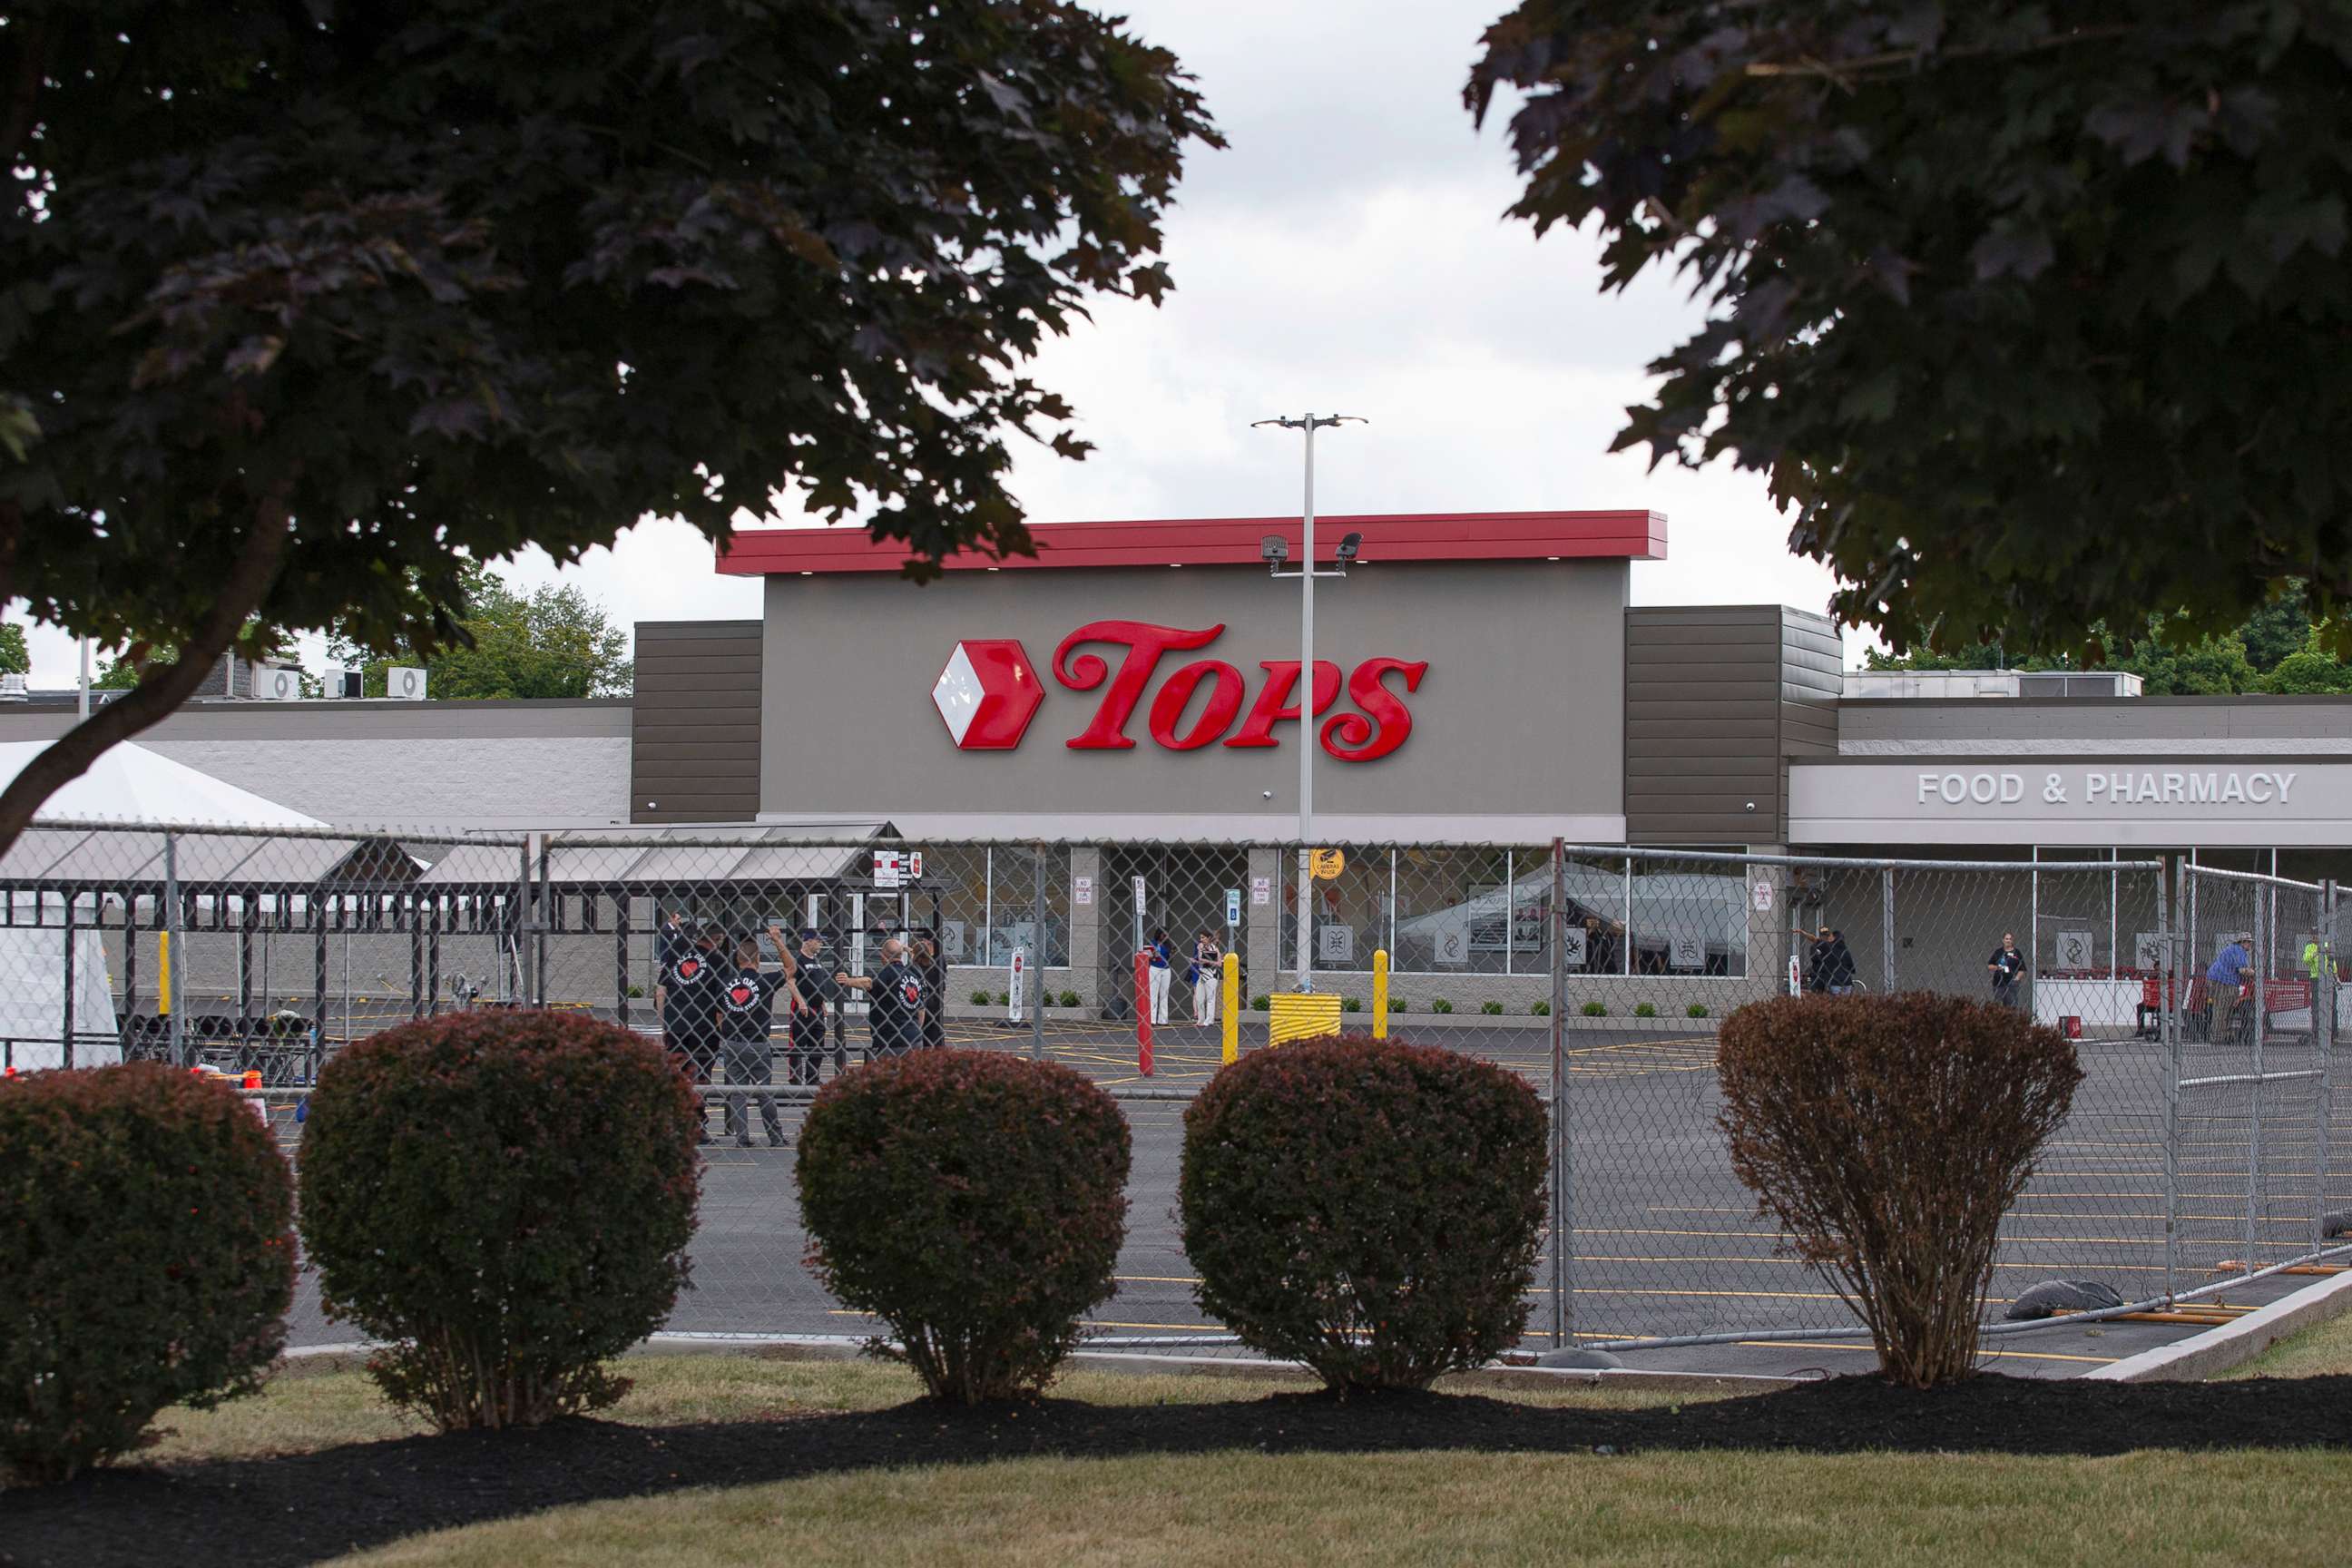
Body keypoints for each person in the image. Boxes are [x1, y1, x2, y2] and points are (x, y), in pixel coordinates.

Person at [715, 925, 794, 1148]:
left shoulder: (726, 983)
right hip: (757, 1042)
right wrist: (777, 940)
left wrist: (726, 1032)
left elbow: (718, 1013)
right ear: (757, 958)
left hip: (733, 1042)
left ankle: (742, 1137)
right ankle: (775, 1136)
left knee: (738, 1092)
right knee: (764, 1091)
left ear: (738, 959)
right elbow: (791, 967)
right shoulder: (764, 981)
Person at [654, 914, 723, 1142]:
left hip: (676, 1026)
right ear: (717, 939)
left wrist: (666, 1023)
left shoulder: (677, 956)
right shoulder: (717, 960)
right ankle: (697, 1126)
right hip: (704, 1028)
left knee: (677, 1074)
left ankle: (675, 1123)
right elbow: (721, 1003)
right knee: (701, 1078)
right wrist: (720, 1029)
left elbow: (660, 991)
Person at [838, 937, 925, 1059]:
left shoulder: (887, 974)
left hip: (891, 1041)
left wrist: (848, 981)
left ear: (883, 956)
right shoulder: (912, 976)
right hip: (915, 1038)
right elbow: (921, 1011)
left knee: (886, 1075)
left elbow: (869, 982)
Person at [788, 928, 834, 1085]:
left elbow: (818, 985)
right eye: (818, 940)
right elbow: (791, 982)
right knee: (797, 1046)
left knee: (818, 1045)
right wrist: (801, 1001)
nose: (820, 943)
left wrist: (822, 1004)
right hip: (802, 1010)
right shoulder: (798, 960)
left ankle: (813, 1078)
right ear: (808, 941)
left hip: (817, 1009)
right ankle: (795, 1079)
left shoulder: (816, 961)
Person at [2208, 935, 2254, 1043]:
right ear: (2242, 942)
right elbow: (2242, 970)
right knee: (2222, 1009)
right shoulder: (2238, 950)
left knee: (2226, 1009)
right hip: (2223, 981)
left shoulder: (2232, 949)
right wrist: (2254, 973)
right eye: (2248, 942)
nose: (2250, 945)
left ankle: (2224, 1035)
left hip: (2224, 980)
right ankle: (2217, 1037)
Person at [911, 934, 947, 1049]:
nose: (924, 943)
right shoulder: (920, 965)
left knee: (931, 1034)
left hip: (931, 1005)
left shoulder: (936, 961)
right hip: (929, 1004)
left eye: (925, 942)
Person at [1191, 928, 1222, 1025]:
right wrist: (1197, 960)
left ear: (1209, 938)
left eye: (1203, 938)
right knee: (1199, 998)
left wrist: (1209, 961)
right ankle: (1201, 1019)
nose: (1201, 940)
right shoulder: (1200, 946)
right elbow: (1200, 958)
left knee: (1210, 998)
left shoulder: (1215, 949)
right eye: (1200, 938)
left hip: (1211, 975)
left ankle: (1209, 1020)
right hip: (1202, 973)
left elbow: (1219, 963)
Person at [1987, 932, 2025, 1010]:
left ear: (2012, 941)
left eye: (2010, 939)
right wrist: (1997, 967)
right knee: (1998, 1005)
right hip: (1998, 983)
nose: (2008, 941)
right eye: (2006, 939)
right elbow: (1989, 966)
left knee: (2011, 1006)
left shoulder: (2017, 953)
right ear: (2003, 940)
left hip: (2012, 984)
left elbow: (2022, 969)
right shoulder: (1998, 952)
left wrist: (2017, 978)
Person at [1146, 926, 1174, 1024]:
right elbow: (1148, 956)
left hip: (1166, 969)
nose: (1165, 936)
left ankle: (1163, 1019)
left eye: (1167, 934)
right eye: (1164, 934)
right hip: (1155, 968)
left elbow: (1169, 959)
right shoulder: (1153, 942)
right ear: (1159, 934)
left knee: (1164, 994)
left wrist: (1171, 953)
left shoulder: (1168, 944)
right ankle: (1152, 1019)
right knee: (1153, 994)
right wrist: (1153, 955)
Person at [1819, 928, 1857, 995]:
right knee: (1846, 1001)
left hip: (1834, 979)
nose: (1829, 938)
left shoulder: (1828, 948)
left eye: (1830, 936)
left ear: (1834, 938)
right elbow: (1850, 965)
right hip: (1847, 979)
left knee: (1835, 1000)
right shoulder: (1845, 950)